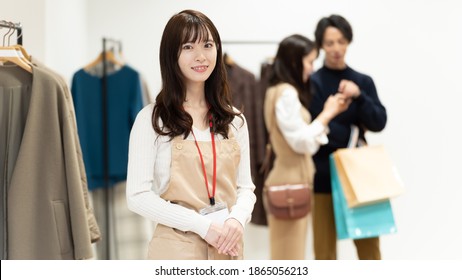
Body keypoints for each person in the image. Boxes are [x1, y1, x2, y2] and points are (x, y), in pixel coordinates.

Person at [126, 10, 256, 260]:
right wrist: (203, 226)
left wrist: (237, 221)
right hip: (175, 253)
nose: (201, 56)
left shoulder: (234, 120)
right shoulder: (152, 119)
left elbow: (245, 188)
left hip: (227, 249)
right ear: (171, 54)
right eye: (188, 46)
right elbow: (137, 196)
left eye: (208, 45)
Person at [263, 34, 350, 260]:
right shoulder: (287, 93)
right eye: (309, 61)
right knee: (289, 257)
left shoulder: (276, 90)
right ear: (294, 61)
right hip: (290, 181)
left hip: (291, 179)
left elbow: (304, 142)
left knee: (289, 254)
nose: (312, 69)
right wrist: (327, 114)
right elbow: (301, 142)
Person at [309, 14, 387, 260]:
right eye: (330, 43)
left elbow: (379, 122)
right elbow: (315, 128)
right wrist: (352, 132)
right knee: (324, 252)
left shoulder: (362, 81)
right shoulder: (313, 82)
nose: (336, 48)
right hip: (322, 175)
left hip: (359, 175)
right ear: (321, 45)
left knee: (369, 249)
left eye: (341, 41)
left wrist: (360, 96)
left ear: (349, 42)